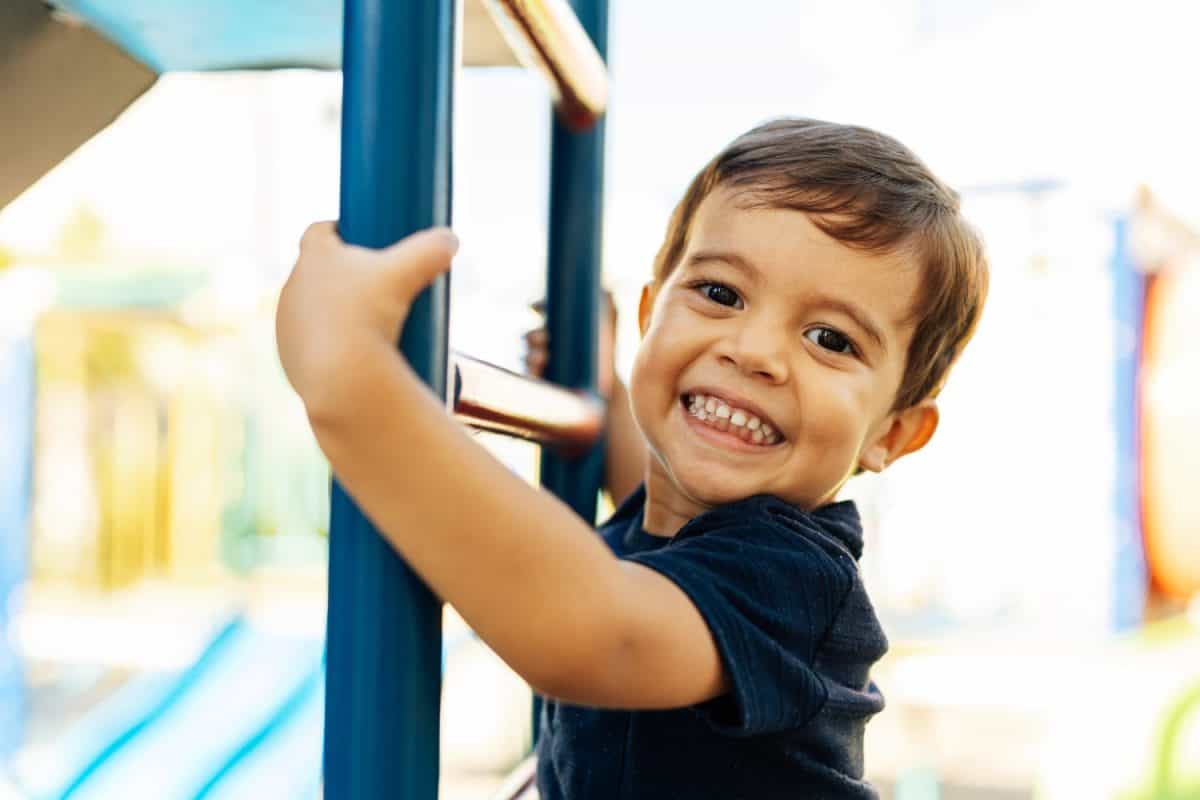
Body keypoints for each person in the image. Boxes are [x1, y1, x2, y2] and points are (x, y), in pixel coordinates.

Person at [276, 117, 988, 798]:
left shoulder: (794, 581)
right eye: (719, 293)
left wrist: (356, 391)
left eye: (831, 339)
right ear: (652, 314)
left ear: (891, 434)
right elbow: (643, 496)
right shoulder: (685, 518)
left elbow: (592, 636)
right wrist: (610, 391)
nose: (754, 351)